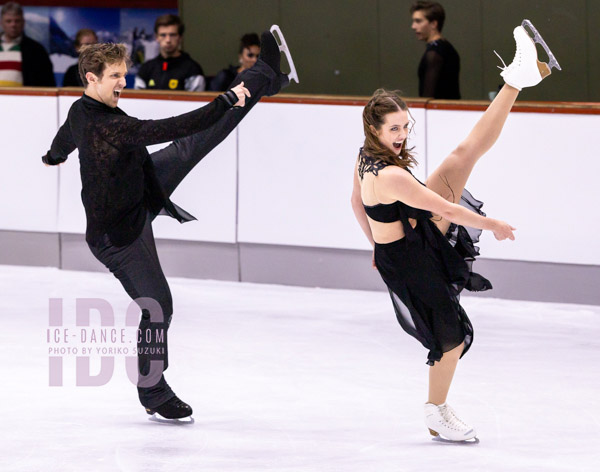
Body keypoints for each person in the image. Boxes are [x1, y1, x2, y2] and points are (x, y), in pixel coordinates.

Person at [42, 28, 297, 420]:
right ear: (91, 78)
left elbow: (66, 135)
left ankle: (263, 76)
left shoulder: (81, 110)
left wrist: (53, 156)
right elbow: (173, 126)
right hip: (118, 236)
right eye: (115, 76)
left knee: (197, 144)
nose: (123, 83)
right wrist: (223, 100)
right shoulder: (109, 125)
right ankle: (153, 391)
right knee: (158, 306)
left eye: (124, 74)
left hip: (140, 186)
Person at [351, 21, 559, 441]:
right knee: (452, 339)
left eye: (405, 125)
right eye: (394, 129)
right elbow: (445, 209)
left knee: (464, 154)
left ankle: (516, 80)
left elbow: (357, 203)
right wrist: (492, 224)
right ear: (374, 129)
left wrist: (375, 244)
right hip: (412, 261)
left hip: (409, 242)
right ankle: (436, 412)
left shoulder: (365, 158)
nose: (402, 134)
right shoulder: (391, 175)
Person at [134, 14, 205, 92]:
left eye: (172, 35)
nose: (168, 40)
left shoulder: (192, 69)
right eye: (163, 35)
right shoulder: (146, 69)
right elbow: (138, 100)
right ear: (156, 37)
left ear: (180, 37)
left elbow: (196, 101)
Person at [410, 1, 459, 99]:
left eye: (418, 21)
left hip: (439, 112)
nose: (413, 26)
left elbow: (427, 96)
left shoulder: (435, 53)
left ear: (433, 24)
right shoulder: (446, 47)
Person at [0, 1, 55, 87]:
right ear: (1, 23)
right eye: (8, 21)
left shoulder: (36, 51)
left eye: (17, 21)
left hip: (24, 99)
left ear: (23, 22)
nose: (13, 25)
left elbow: (47, 84)